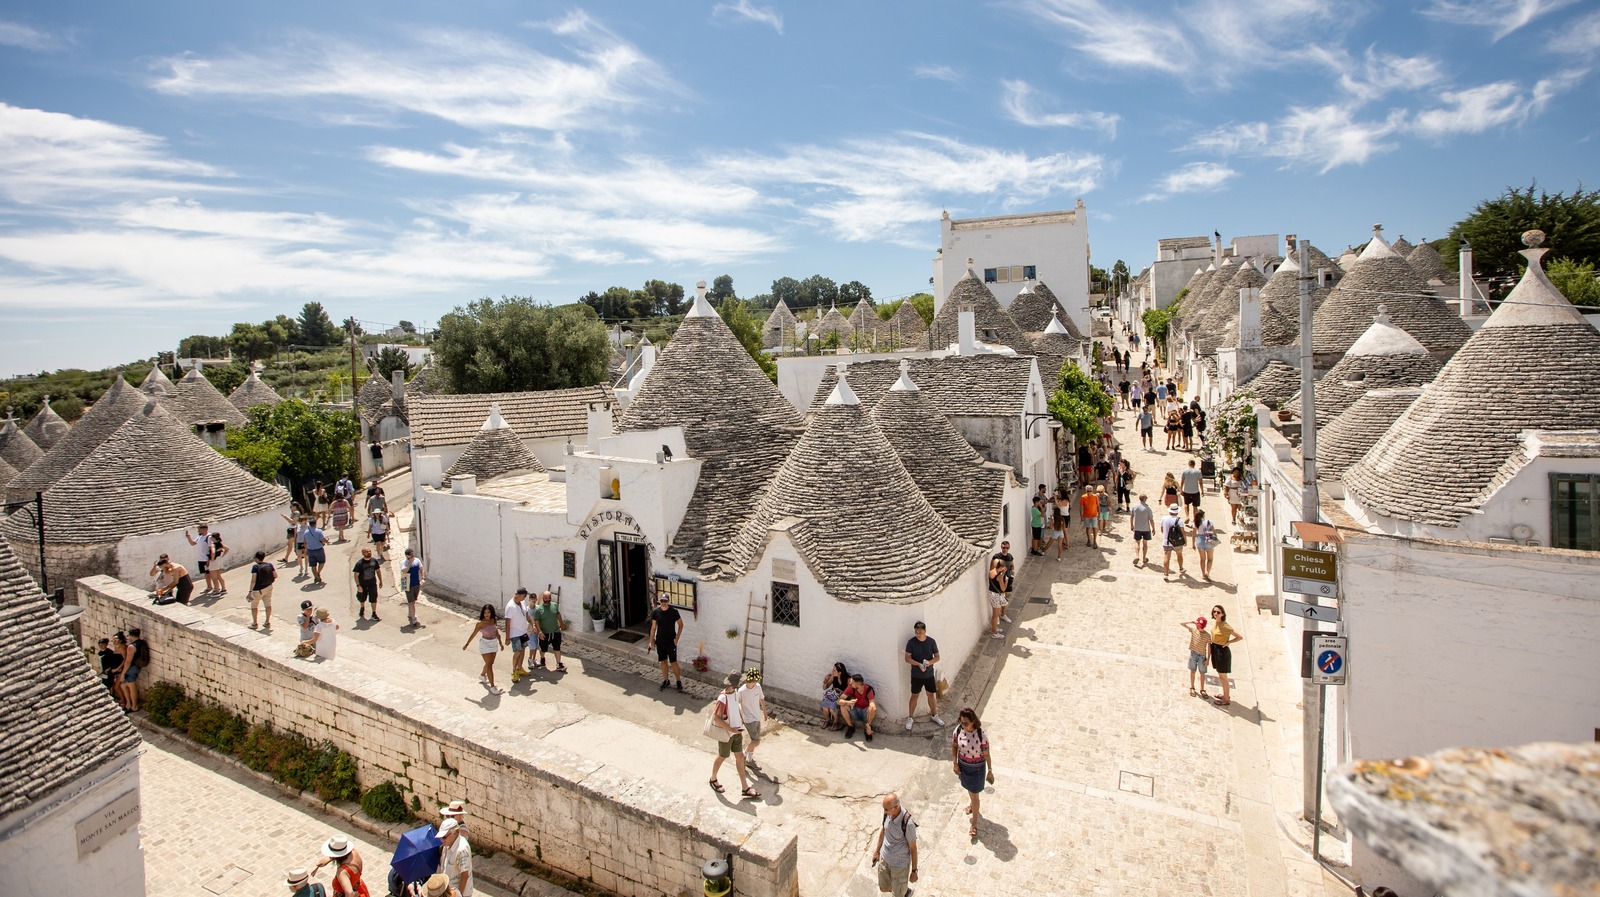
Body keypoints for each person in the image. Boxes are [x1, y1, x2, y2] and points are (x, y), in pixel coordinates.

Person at [709, 671, 757, 798]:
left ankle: (745, 788)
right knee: (722, 756)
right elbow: (717, 718)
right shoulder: (722, 698)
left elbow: (736, 710)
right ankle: (713, 778)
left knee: (740, 757)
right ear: (736, 684)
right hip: (727, 734)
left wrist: (740, 725)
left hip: (737, 732)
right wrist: (730, 729)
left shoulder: (735, 693)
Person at [951, 708, 995, 839]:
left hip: (976, 769)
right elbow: (954, 746)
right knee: (970, 790)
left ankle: (974, 824)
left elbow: (986, 754)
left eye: (965, 723)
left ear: (973, 722)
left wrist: (990, 770)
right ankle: (972, 804)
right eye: (961, 722)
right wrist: (955, 763)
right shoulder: (958, 730)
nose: (962, 725)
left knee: (975, 795)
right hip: (964, 767)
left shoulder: (981, 735)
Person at [871, 793, 918, 897]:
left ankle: (902, 891)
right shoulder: (887, 814)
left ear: (896, 807)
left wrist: (914, 871)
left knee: (897, 895)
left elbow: (913, 848)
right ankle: (903, 890)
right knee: (883, 888)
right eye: (884, 809)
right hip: (885, 859)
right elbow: (883, 830)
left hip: (899, 865)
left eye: (887, 809)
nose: (884, 812)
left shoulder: (908, 823)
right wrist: (877, 851)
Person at [905, 622, 943, 728]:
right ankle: (910, 718)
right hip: (916, 675)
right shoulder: (911, 642)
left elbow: (937, 657)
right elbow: (907, 658)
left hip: (929, 675)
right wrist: (918, 664)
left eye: (920, 632)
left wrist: (929, 663)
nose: (918, 634)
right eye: (916, 632)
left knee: (931, 695)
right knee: (914, 696)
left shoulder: (931, 642)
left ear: (925, 631)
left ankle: (934, 715)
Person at [463, 604, 504, 694]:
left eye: (488, 612)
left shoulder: (493, 620)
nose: (486, 614)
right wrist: (467, 644)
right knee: (489, 665)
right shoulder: (480, 624)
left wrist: (501, 643)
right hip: (485, 644)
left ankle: (482, 675)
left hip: (494, 643)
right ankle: (492, 686)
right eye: (485, 612)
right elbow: (473, 634)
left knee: (490, 662)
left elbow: (497, 632)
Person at [646, 595, 683, 692]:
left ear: (668, 601)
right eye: (662, 601)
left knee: (673, 662)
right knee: (663, 662)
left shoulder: (674, 612)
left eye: (665, 601)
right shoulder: (656, 612)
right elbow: (653, 628)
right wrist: (651, 641)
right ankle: (666, 680)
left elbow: (680, 625)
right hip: (660, 641)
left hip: (671, 642)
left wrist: (677, 639)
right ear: (659, 601)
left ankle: (678, 681)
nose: (663, 602)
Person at [1210, 605, 1242, 706]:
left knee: (1223, 677)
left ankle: (1226, 699)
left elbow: (1239, 637)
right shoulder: (1217, 622)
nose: (1216, 614)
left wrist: (1229, 642)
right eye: (1214, 611)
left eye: (1218, 612)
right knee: (1220, 675)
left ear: (1222, 614)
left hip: (1222, 652)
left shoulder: (1224, 626)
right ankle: (1225, 695)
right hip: (1215, 649)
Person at [737, 668, 767, 767]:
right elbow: (738, 704)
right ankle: (744, 755)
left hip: (757, 716)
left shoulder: (758, 687)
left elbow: (761, 699)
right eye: (756, 680)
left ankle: (749, 760)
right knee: (756, 742)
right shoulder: (741, 691)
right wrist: (741, 716)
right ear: (752, 680)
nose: (757, 681)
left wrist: (765, 713)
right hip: (749, 719)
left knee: (755, 739)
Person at [437, 818, 473, 897]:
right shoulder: (447, 845)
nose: (442, 840)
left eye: (444, 837)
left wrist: (458, 895)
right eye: (441, 837)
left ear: (455, 833)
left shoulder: (462, 850)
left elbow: (465, 876)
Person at [504, 588, 534, 682]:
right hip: (515, 633)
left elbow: (526, 615)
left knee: (523, 649)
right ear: (520, 595)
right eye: (524, 596)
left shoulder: (522, 603)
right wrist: (507, 638)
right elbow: (507, 623)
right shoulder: (510, 606)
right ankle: (514, 671)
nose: (525, 598)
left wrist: (532, 624)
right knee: (517, 652)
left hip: (523, 632)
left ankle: (520, 668)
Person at [532, 590, 565, 672]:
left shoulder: (554, 605)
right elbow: (536, 621)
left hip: (555, 631)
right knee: (543, 649)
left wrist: (561, 624)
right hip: (544, 633)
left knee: (557, 648)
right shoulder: (539, 609)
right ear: (543, 598)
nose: (547, 599)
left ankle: (558, 663)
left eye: (549, 598)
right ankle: (542, 659)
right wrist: (540, 632)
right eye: (546, 598)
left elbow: (558, 614)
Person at [839, 673, 877, 741]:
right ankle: (851, 727)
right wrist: (848, 702)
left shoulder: (868, 689)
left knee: (872, 708)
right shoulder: (851, 688)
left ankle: (868, 728)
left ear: (857, 684)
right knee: (843, 706)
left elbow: (873, 706)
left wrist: (869, 723)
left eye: (852, 682)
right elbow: (839, 701)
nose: (850, 683)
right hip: (855, 710)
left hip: (865, 712)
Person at [1182, 616, 1211, 698]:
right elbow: (1182, 624)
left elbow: (1209, 648)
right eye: (1199, 626)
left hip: (1202, 656)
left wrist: (1208, 659)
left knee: (1202, 673)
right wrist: (1191, 622)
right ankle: (1192, 687)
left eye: (1201, 627)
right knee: (1192, 670)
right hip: (1193, 653)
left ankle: (1202, 689)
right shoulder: (1194, 630)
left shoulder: (1207, 636)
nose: (1200, 628)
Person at [351, 549, 383, 622]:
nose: (368, 553)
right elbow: (356, 575)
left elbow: (378, 571)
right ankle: (362, 608)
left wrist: (381, 581)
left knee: (373, 599)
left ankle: (374, 613)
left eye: (369, 551)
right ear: (363, 553)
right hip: (363, 585)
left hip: (372, 584)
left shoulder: (374, 561)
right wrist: (358, 585)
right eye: (366, 552)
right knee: (362, 598)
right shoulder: (359, 564)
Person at [248, 550, 276, 630]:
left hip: (257, 590)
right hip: (268, 587)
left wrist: (250, 591)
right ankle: (267, 622)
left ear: (256, 558)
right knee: (268, 605)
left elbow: (253, 580)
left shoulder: (255, 567)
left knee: (254, 607)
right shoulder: (270, 565)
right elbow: (275, 575)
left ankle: (255, 623)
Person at [820, 661, 849, 730]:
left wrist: (840, 691)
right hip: (832, 696)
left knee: (832, 708)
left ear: (840, 672)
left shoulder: (847, 679)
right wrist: (825, 680)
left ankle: (836, 722)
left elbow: (849, 693)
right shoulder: (833, 677)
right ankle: (827, 720)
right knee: (825, 707)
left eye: (834, 670)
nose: (832, 672)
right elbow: (824, 688)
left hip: (841, 697)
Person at [986, 556, 1010, 639]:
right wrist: (1006, 580)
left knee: (995, 615)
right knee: (995, 615)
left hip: (991, 593)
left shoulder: (992, 571)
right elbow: (1003, 589)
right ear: (1002, 567)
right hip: (996, 596)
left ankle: (994, 628)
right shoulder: (999, 576)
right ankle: (994, 632)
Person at [185, 524, 214, 594]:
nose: (198, 531)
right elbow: (193, 543)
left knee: (210, 574)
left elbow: (211, 548)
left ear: (204, 530)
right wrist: (188, 537)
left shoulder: (209, 537)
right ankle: (209, 587)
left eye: (199, 529)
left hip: (206, 559)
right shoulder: (200, 536)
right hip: (201, 559)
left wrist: (209, 559)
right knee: (205, 574)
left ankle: (214, 588)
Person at [1161, 504, 1187, 578]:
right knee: (1179, 554)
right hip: (1177, 542)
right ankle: (1181, 568)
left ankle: (1166, 574)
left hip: (1167, 541)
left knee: (1166, 557)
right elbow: (1183, 532)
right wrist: (1185, 541)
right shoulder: (1179, 520)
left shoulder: (1164, 518)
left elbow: (1162, 530)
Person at [1193, 509, 1219, 582]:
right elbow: (1214, 532)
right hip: (1208, 539)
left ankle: (1203, 574)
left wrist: (1193, 544)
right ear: (1203, 515)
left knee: (1202, 559)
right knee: (1210, 559)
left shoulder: (1196, 523)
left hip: (1200, 540)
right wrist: (1215, 541)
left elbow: (1194, 534)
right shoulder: (1208, 522)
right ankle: (1207, 572)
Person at [1129, 493, 1155, 566]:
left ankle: (1137, 556)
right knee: (1145, 543)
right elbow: (1151, 520)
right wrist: (1153, 528)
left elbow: (1131, 516)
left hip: (1137, 528)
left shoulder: (1135, 506)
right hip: (1146, 528)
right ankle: (1144, 558)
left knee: (1137, 542)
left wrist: (1131, 525)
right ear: (1145, 499)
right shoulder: (1147, 508)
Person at [401, 549, 425, 627]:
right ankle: (414, 618)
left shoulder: (417, 560)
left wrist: (423, 578)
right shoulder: (403, 563)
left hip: (416, 583)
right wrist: (410, 562)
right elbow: (404, 571)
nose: (412, 556)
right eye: (410, 555)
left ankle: (410, 612)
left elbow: (421, 569)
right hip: (408, 584)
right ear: (407, 556)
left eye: (412, 554)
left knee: (413, 600)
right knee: (411, 602)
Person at [302, 519, 329, 584]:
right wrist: (327, 540)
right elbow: (323, 539)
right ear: (315, 524)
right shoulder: (319, 531)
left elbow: (305, 542)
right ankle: (318, 573)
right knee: (322, 562)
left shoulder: (306, 532)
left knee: (313, 565)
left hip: (310, 550)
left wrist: (305, 550)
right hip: (319, 549)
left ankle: (316, 577)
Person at [1180, 459, 1205, 524]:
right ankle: (1194, 518)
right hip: (1195, 491)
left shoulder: (1184, 471)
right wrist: (1202, 490)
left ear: (1189, 464)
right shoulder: (1198, 472)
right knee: (1195, 506)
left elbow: (1182, 481)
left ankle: (1187, 516)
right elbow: (1200, 482)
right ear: (1194, 464)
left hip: (1187, 490)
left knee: (1186, 504)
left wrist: (1181, 489)